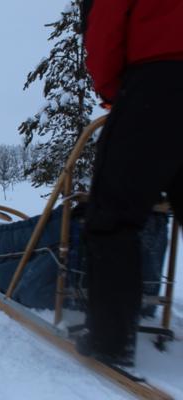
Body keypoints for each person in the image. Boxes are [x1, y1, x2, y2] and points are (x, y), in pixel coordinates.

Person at [77, 0, 183, 367]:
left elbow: (105, 25)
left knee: (111, 219)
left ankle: (110, 341)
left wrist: (113, 93)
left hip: (157, 82)